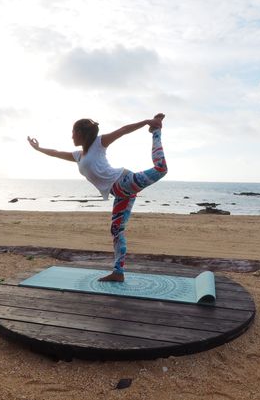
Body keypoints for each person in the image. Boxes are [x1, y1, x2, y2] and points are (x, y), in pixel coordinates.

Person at [27, 114, 167, 282]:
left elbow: (123, 130)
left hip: (124, 182)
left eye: (73, 132)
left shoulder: (99, 143)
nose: (71, 136)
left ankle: (156, 130)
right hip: (120, 193)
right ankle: (118, 272)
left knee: (161, 169)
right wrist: (38, 148)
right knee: (116, 231)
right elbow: (56, 153)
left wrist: (147, 122)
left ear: (80, 132)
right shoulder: (78, 156)